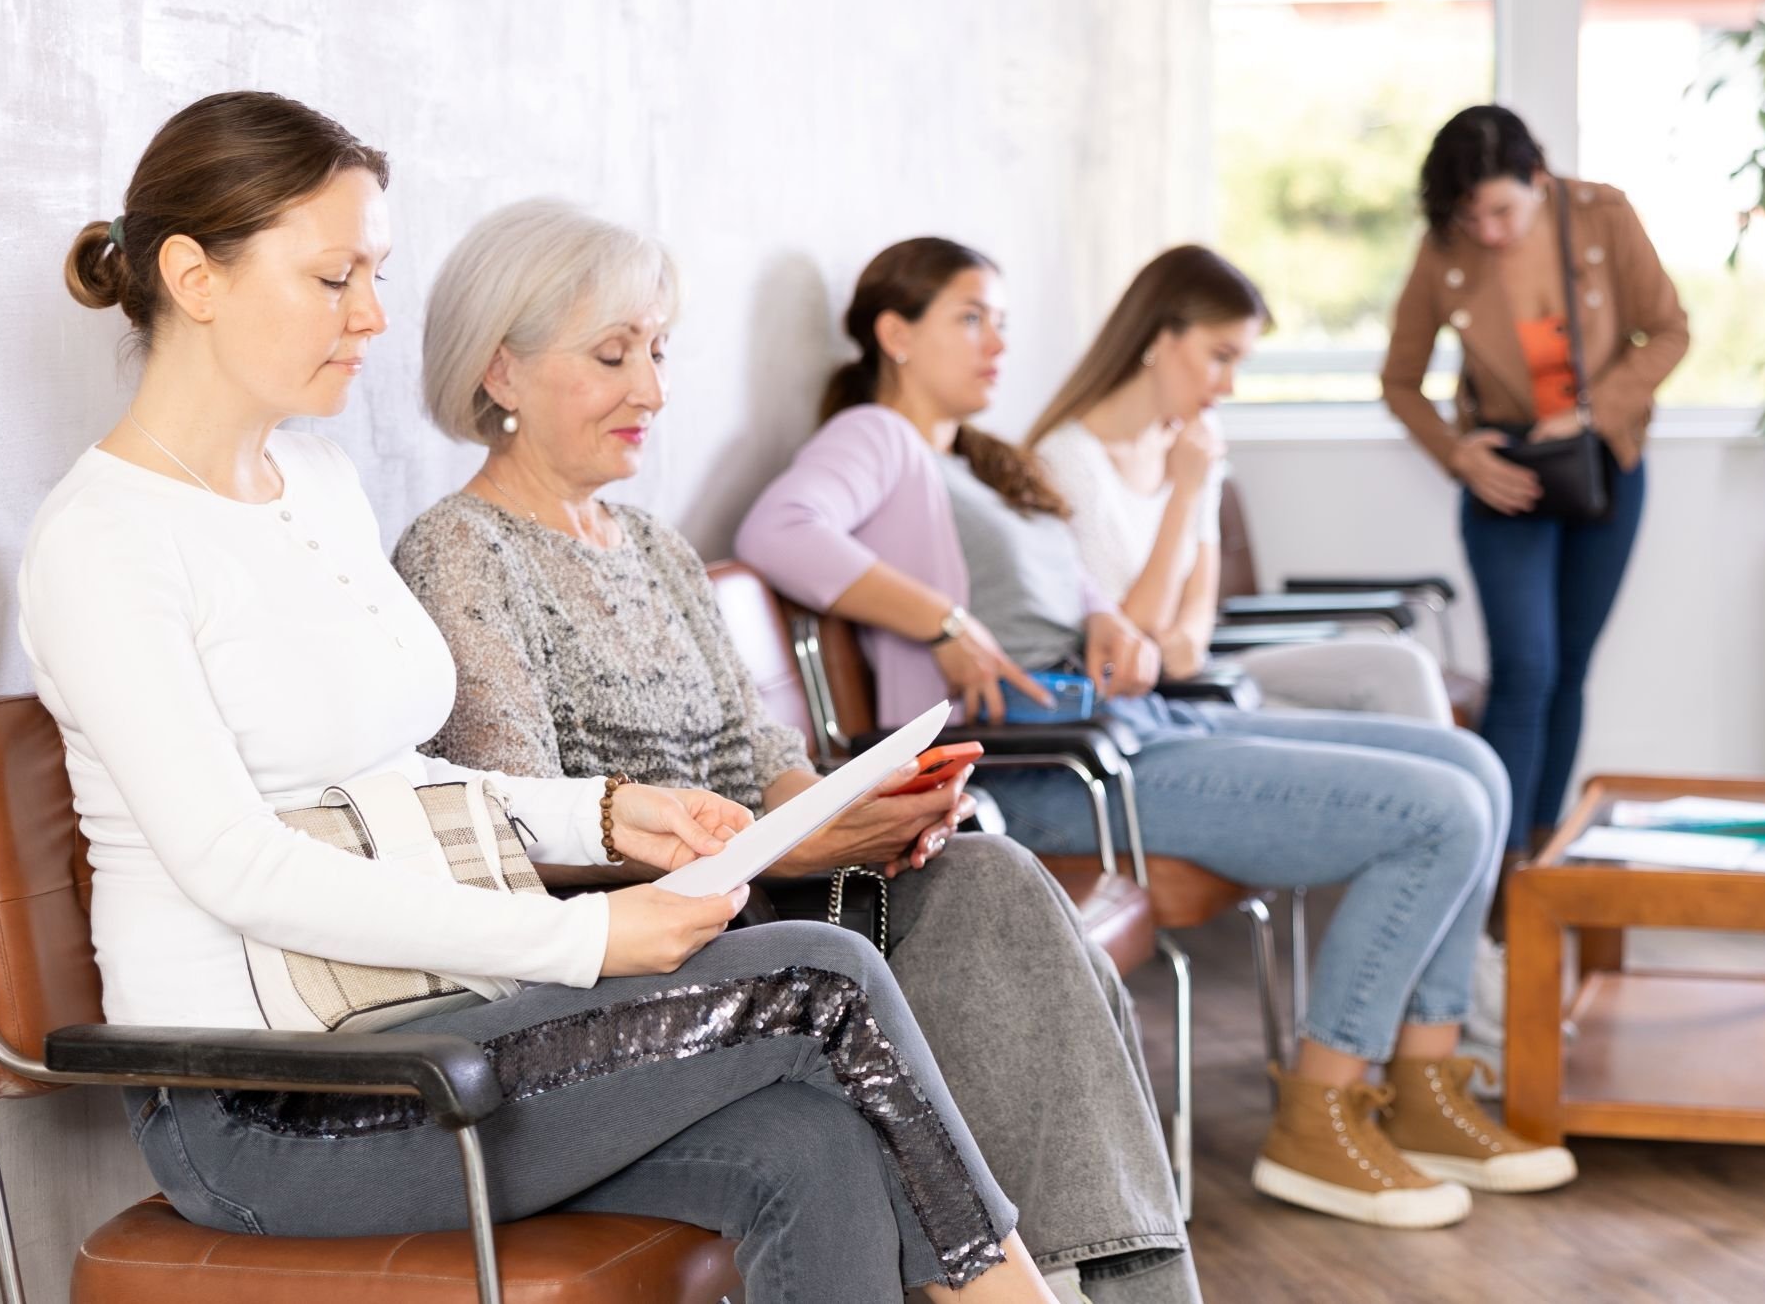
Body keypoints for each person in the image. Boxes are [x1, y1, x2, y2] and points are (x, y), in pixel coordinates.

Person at [24, 91, 1054, 1303]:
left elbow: (391, 777)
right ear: (195, 277)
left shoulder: (314, 476)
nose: (372, 316)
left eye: (377, 272)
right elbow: (234, 864)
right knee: (822, 976)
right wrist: (584, 934)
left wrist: (606, 815)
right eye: (333, 277)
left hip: (434, 1028)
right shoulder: (104, 542)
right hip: (273, 1101)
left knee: (813, 1144)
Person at [393, 200, 1196, 1304]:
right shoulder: (459, 551)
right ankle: (1082, 1284)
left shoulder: (659, 547)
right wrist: (778, 846)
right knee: (1005, 928)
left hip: (770, 904)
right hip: (646, 956)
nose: (653, 390)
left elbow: (753, 744)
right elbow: (522, 825)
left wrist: (850, 812)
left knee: (990, 884)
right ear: (502, 371)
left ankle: (1093, 1283)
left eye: (659, 351)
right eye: (612, 354)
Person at [738, 236, 1576, 1231]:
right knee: (1437, 809)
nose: (997, 339)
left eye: (1001, 317)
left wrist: (1109, 626)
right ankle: (1322, 1112)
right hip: (1047, 767)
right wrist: (945, 621)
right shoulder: (880, 436)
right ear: (894, 334)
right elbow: (776, 530)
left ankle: (1427, 1083)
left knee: (1470, 765)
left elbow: (1092, 603)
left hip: (1128, 722)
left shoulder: (984, 459)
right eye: (971, 316)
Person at [1380, 104, 1690, 856]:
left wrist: (1589, 414)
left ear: (1538, 178)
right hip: (1505, 479)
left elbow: (1670, 330)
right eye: (1468, 214)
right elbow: (1400, 380)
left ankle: (1545, 854)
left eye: (1500, 209)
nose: (1487, 230)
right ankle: (1496, 864)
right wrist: (1463, 457)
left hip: (1601, 466)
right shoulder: (1444, 249)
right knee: (1525, 669)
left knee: (1570, 670)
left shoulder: (1602, 216)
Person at [1024, 246, 1451, 724]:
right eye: (1220, 357)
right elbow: (1129, 636)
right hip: (1145, 705)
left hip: (1206, 676)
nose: (1229, 386)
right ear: (1158, 338)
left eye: (1239, 363)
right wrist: (1184, 493)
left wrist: (1184, 638)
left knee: (1402, 669)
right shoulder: (1067, 462)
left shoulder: (1197, 439)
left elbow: (1195, 621)